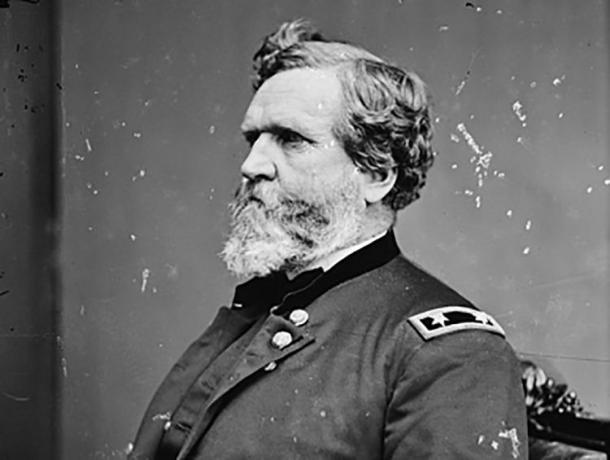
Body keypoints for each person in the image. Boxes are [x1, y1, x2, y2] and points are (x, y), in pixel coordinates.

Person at [129, 19, 527, 459]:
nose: (252, 164)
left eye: (291, 140)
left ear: (376, 175)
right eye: (253, 139)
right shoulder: (260, 310)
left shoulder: (450, 352)